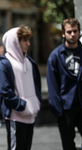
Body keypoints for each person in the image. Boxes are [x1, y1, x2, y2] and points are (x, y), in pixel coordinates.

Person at [0, 25, 42, 150]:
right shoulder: (4, 64)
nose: (28, 43)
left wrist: (36, 102)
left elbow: (36, 85)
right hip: (15, 117)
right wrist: (21, 105)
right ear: (15, 42)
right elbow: (4, 91)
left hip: (30, 115)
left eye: (28, 39)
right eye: (24, 40)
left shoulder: (30, 62)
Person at [47, 18, 82, 150]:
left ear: (79, 32)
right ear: (63, 33)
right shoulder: (55, 56)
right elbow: (52, 85)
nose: (72, 34)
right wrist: (58, 110)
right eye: (69, 32)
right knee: (68, 144)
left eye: (75, 31)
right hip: (66, 108)